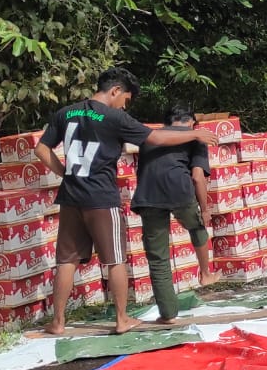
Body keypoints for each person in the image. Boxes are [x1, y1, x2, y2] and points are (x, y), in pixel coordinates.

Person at [35, 68, 217, 335]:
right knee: (115, 259)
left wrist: (66, 174)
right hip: (101, 197)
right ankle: (122, 319)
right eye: (126, 99)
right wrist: (194, 134)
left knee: (67, 260)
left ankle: (58, 322)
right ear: (115, 91)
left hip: (71, 196)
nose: (125, 104)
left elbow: (41, 148)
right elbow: (154, 137)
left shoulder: (65, 113)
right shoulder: (115, 117)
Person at [132, 103, 218, 325]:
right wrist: (205, 209)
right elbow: (198, 177)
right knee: (197, 227)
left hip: (148, 194)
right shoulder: (197, 136)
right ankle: (206, 273)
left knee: (158, 258)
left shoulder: (151, 136)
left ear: (166, 122)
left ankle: (168, 314)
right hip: (180, 191)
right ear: (192, 122)